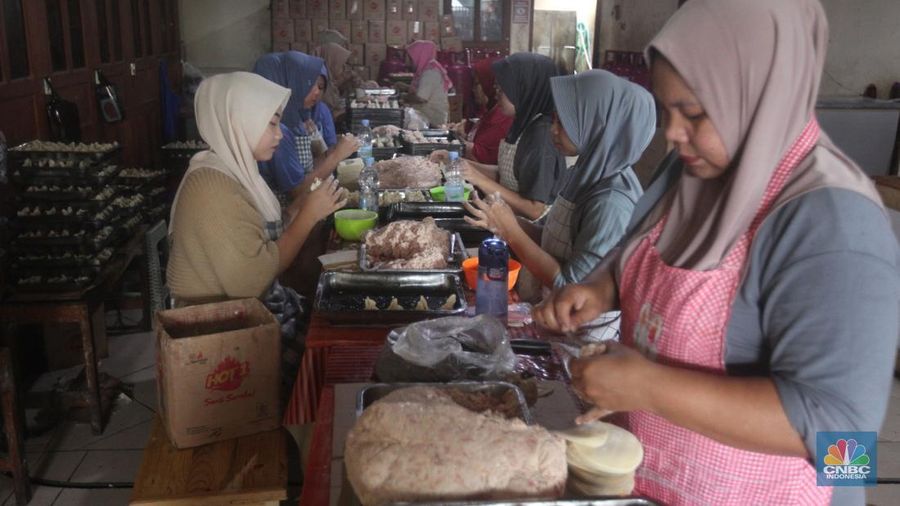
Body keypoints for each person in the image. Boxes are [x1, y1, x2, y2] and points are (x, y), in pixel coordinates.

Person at [534, 1, 899, 504]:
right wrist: (602, 287)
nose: (672, 133)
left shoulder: (835, 224)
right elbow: (642, 250)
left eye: (695, 113)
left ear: (760, 92)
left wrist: (652, 389)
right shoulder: (696, 171)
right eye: (668, 110)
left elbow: (849, 447)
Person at [166, 72, 348, 398]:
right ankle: (302, 434)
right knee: (325, 355)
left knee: (330, 318)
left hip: (250, 305)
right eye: (271, 124)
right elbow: (252, 280)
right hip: (221, 329)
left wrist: (310, 203)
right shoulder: (212, 187)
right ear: (239, 123)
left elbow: (263, 229)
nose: (279, 134)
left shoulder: (233, 168)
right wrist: (309, 216)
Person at [465, 70, 653, 335]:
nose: (553, 130)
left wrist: (511, 232)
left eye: (563, 122)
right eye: (553, 119)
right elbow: (549, 233)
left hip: (587, 337)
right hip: (557, 321)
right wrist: (502, 220)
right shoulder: (583, 172)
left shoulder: (611, 201)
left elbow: (571, 286)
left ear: (596, 124)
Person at [458, 53, 566, 221]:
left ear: (526, 89)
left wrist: (478, 178)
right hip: (509, 223)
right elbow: (506, 176)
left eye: (503, 89)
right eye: (496, 88)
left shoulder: (542, 135)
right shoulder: (522, 123)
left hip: (530, 234)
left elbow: (535, 209)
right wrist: (463, 166)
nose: (496, 95)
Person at [253, 51, 357, 199]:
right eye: (309, 83)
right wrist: (335, 156)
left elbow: (305, 168)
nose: (317, 92)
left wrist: (332, 151)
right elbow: (297, 192)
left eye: (321, 87)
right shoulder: (276, 132)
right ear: (290, 82)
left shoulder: (298, 119)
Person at [447, 57, 513, 165]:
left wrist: (460, 143)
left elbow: (488, 158)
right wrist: (461, 136)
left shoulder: (503, 117)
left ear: (489, 84)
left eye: (477, 84)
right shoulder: (488, 111)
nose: (473, 89)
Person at [401, 40, 452, 127]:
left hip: (432, 119)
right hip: (426, 115)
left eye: (411, 58)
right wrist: (406, 88)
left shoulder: (430, 73)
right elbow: (421, 90)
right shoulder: (426, 69)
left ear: (420, 56)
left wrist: (403, 97)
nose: (408, 62)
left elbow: (420, 98)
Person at [314, 42, 359, 122]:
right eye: (341, 65)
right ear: (332, 62)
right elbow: (326, 115)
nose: (344, 68)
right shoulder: (319, 84)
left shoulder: (330, 81)